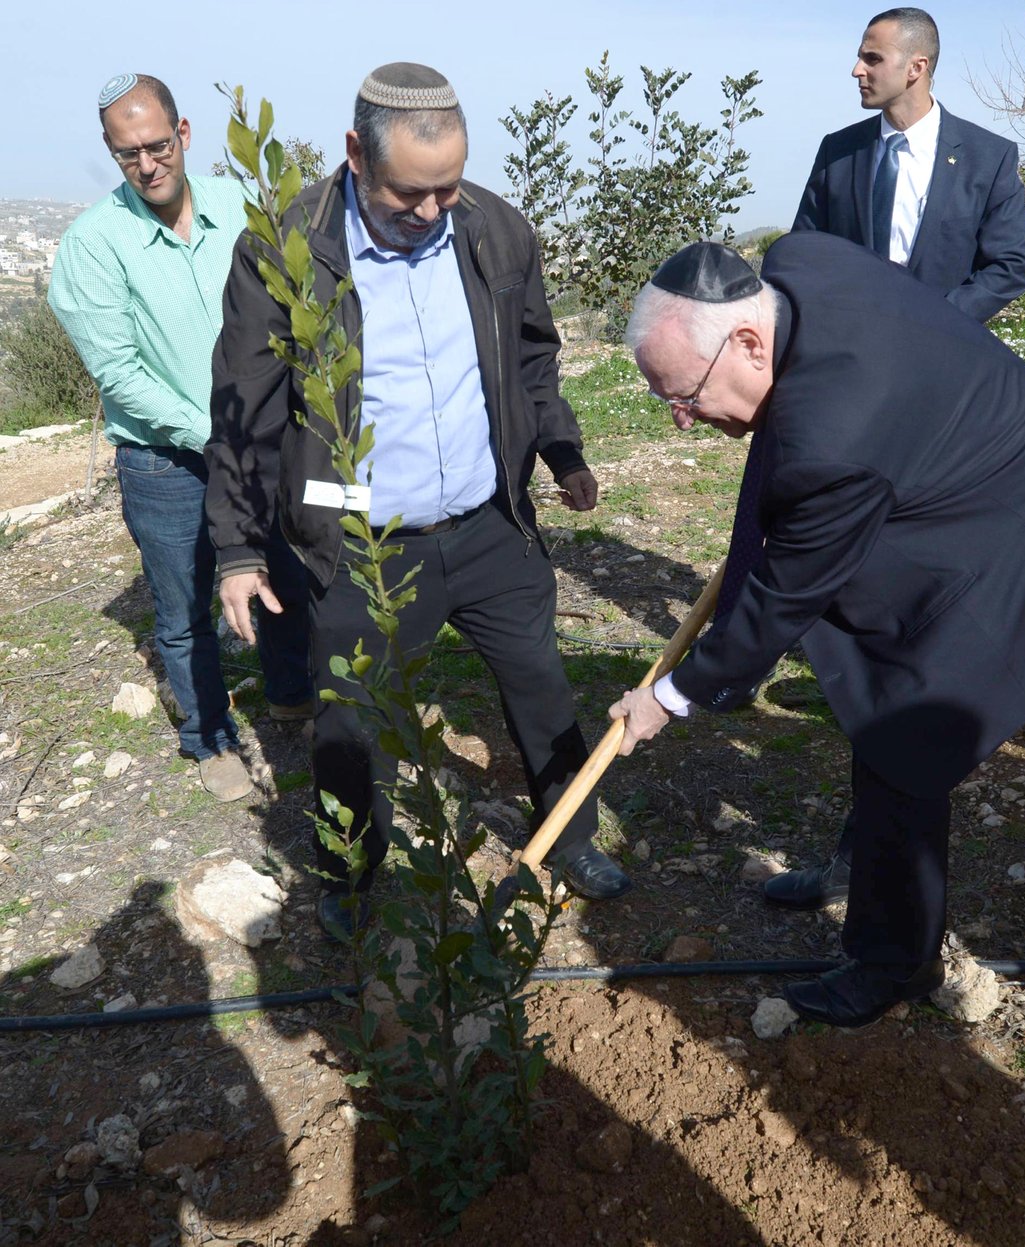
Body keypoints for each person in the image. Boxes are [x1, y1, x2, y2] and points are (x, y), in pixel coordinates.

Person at [610, 238, 1025, 1027]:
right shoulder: (794, 268)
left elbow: (782, 598)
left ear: (748, 341)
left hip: (1011, 506)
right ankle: (864, 860)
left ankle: (892, 964)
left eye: (686, 396)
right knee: (868, 661)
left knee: (903, 721)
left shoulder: (831, 438)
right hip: (940, 457)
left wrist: (669, 696)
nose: (681, 420)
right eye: (664, 401)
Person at [205, 62, 631, 938]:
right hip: (364, 537)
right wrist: (241, 550)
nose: (435, 211)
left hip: (486, 523)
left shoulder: (494, 230)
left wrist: (560, 447)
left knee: (542, 681)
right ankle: (354, 876)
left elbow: (531, 356)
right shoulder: (288, 250)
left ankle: (571, 833)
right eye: (412, 194)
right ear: (356, 153)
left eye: (449, 188)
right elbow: (243, 409)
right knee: (351, 721)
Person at [49, 73, 311, 803]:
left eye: (158, 144)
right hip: (166, 462)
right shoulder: (93, 245)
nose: (147, 163)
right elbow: (120, 374)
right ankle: (208, 735)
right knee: (184, 607)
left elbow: (297, 304)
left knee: (288, 573)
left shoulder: (243, 205)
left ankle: (294, 695)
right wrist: (218, 434)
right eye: (127, 153)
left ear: (185, 133)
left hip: (264, 444)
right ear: (113, 153)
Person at [792, 7, 1025, 323]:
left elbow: (1010, 265)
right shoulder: (837, 153)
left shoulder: (988, 158)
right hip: (851, 351)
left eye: (873, 59)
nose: (857, 70)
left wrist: (936, 320)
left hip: (943, 353)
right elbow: (804, 254)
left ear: (916, 68)